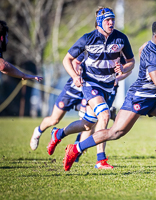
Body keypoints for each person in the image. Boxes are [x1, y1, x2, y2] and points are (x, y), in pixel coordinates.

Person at [62, 19, 156, 171]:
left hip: (153, 98)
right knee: (115, 132)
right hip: (139, 97)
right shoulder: (154, 52)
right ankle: (76, 149)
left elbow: (142, 49)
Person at [46, 6, 135, 169]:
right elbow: (67, 59)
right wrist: (75, 76)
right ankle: (100, 160)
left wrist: (123, 69)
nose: (111, 22)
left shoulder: (121, 39)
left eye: (113, 19)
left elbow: (131, 61)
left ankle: (58, 133)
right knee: (104, 116)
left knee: (87, 124)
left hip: (109, 86)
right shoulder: (87, 39)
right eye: (108, 20)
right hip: (91, 83)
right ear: (99, 22)